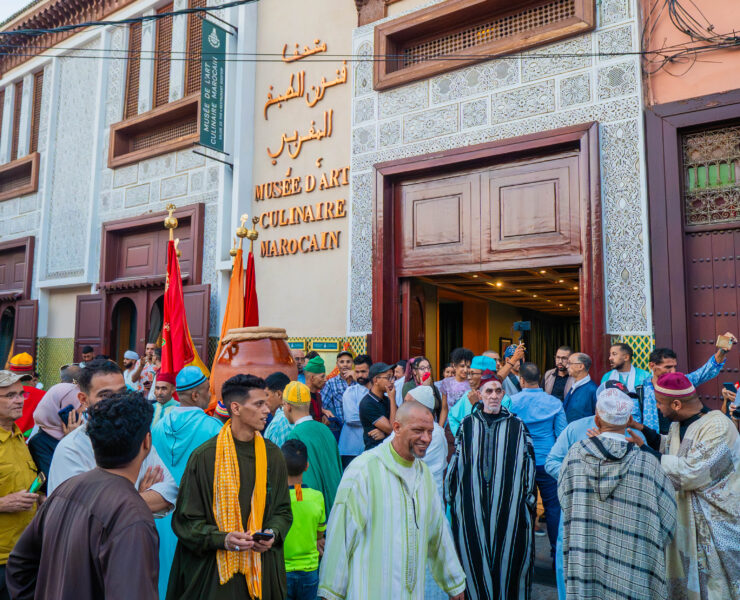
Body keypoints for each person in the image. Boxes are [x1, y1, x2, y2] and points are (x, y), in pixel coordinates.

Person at [6, 392, 160, 600]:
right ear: (146, 442)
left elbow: (20, 564)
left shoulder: (66, 489)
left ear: (93, 443)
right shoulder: (131, 513)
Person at [318, 401, 466, 600]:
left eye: (430, 431)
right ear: (396, 428)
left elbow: (438, 534)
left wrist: (454, 584)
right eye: (418, 430)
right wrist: (331, 593)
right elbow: (341, 537)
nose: (426, 438)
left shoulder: (424, 475)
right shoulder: (364, 470)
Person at [167, 374, 292, 600]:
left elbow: (283, 511)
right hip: (214, 576)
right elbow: (185, 521)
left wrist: (272, 534)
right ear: (235, 407)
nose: (267, 410)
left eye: (266, 403)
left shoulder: (273, 455)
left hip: (262, 571)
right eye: (259, 404)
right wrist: (222, 539)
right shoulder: (205, 457)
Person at [625, 372, 740, 600]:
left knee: (717, 588)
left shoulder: (718, 426)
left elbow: (691, 472)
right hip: (687, 520)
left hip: (716, 524)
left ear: (676, 404)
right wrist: (641, 430)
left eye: (659, 403)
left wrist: (644, 451)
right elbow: (671, 449)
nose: (658, 408)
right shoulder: (679, 425)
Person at [558, 386, 677, 600]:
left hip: (586, 560)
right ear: (629, 419)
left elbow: (565, 501)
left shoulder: (575, 455)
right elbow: (668, 519)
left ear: (596, 419)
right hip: (633, 568)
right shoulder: (647, 462)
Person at [545, 380, 645, 599]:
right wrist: (580, 479)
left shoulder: (636, 435)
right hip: (579, 510)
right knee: (574, 566)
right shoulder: (576, 429)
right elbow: (552, 462)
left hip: (620, 515)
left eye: (621, 402)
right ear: (598, 409)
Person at [48, 360, 177, 514]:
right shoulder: (72, 448)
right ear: (84, 399)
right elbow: (82, 510)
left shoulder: (135, 435)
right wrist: (136, 497)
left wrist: (127, 501)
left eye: (121, 393)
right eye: (105, 395)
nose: (117, 401)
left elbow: (169, 492)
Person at [446, 378, 536, 600]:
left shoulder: (517, 425)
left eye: (498, 391)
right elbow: (456, 461)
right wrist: (451, 494)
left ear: (503, 394)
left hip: (509, 504)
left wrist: (528, 500)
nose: (494, 396)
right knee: (473, 555)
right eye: (489, 391)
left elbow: (529, 464)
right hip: (471, 503)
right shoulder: (467, 424)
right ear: (480, 394)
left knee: (509, 557)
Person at [152, 366, 223, 599]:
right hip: (198, 517)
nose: (210, 395)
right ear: (195, 395)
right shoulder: (214, 428)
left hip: (162, 513)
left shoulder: (158, 427)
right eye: (207, 390)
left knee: (162, 572)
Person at [509, 362, 566, 563]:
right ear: (540, 379)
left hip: (521, 461)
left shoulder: (511, 402)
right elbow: (561, 434)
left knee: (522, 507)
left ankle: (523, 555)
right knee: (553, 507)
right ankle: (557, 554)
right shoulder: (554, 403)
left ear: (521, 380)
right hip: (547, 460)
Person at [0, 371, 40, 600]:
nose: (19, 400)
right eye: (10, 396)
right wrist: (3, 503)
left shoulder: (18, 436)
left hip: (21, 555)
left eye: (20, 394)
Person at [638, 337, 734, 432]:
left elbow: (706, 371)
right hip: (652, 439)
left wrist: (722, 351)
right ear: (652, 365)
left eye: (674, 367)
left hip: (680, 436)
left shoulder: (681, 383)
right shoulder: (640, 390)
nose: (673, 371)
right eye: (668, 367)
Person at [284, 382, 343, 514]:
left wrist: (298, 504)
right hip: (336, 505)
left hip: (314, 509)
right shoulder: (325, 429)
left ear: (287, 406)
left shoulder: (295, 435)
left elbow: (298, 477)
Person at [281, 440, 326, 600]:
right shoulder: (317, 497)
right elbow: (320, 533)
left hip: (283, 571)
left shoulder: (276, 498)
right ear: (306, 466)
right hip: (310, 571)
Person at [385, 385, 448, 500]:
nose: (403, 406)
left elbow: (403, 460)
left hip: (426, 494)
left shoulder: (435, 433)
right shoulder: (405, 426)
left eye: (408, 403)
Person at [28, 383, 81, 481]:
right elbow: (56, 479)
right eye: (79, 405)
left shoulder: (84, 431)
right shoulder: (39, 443)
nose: (83, 409)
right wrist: (71, 441)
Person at [448, 355, 510, 436]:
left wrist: (476, 405)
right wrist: (462, 436)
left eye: (472, 373)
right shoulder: (468, 395)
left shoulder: (502, 399)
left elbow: (495, 427)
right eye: (468, 374)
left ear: (486, 375)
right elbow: (452, 416)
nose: (469, 378)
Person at [338, 354, 372, 468]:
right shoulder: (350, 392)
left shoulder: (380, 393)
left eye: (363, 371)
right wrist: (378, 421)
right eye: (357, 372)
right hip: (351, 449)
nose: (360, 375)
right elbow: (351, 418)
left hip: (372, 448)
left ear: (371, 371)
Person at [359, 362, 396, 450]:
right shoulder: (368, 403)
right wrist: (392, 399)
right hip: (375, 451)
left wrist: (384, 434)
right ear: (376, 380)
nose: (392, 381)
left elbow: (401, 425)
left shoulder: (387, 399)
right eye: (388, 378)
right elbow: (393, 429)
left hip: (390, 449)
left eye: (393, 377)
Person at [7, 353, 45, 437]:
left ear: (10, 373)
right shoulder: (43, 395)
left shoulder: (3, 392)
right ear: (32, 374)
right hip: (29, 442)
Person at [401, 356, 446, 426]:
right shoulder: (408, 386)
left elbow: (439, 408)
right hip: (415, 425)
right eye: (422, 368)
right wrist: (425, 388)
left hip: (431, 425)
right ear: (414, 372)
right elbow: (414, 408)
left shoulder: (433, 387)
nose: (426, 371)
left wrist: (440, 427)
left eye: (428, 368)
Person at [321, 351, 353, 440]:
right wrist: (324, 411)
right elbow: (321, 403)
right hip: (340, 428)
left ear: (352, 363)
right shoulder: (331, 383)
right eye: (342, 362)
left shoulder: (358, 381)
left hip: (358, 427)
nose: (345, 365)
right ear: (337, 364)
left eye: (348, 361)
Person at [562, 352, 598, 422]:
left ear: (581, 366)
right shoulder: (574, 385)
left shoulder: (593, 390)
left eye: (569, 363)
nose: (566, 366)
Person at [304, 355, 330, 422]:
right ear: (312, 378)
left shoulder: (318, 396)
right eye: (322, 377)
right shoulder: (301, 397)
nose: (325, 380)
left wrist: (323, 416)